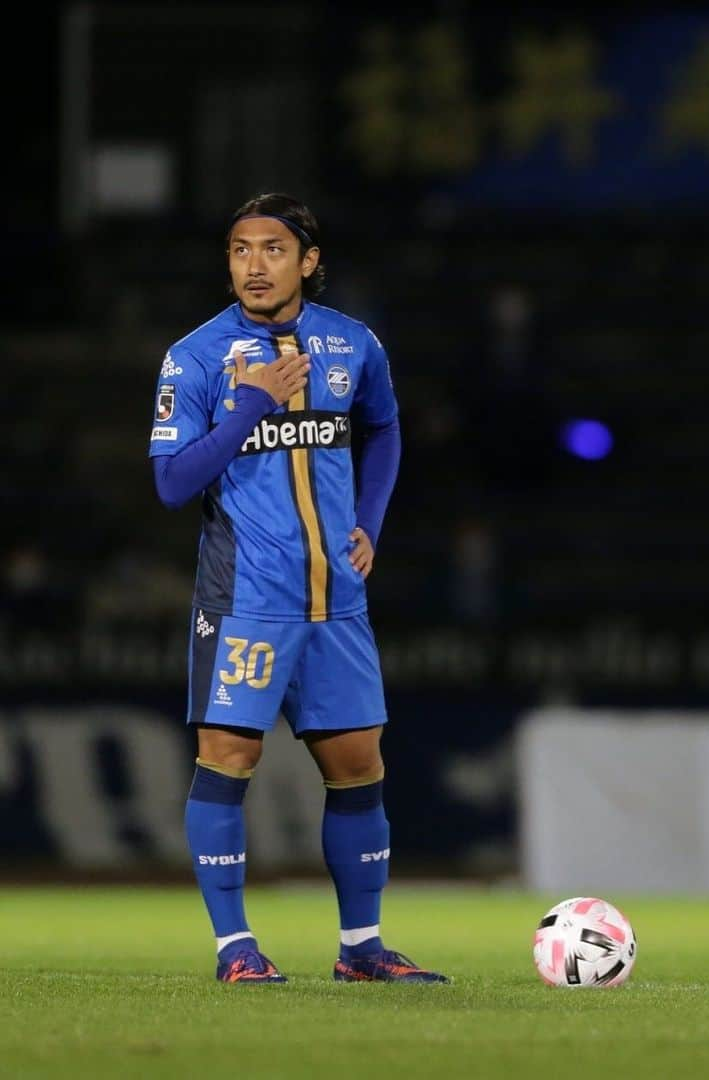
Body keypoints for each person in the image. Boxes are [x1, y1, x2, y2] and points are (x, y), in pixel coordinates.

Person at [147, 192, 448, 985]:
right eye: (241, 249)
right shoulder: (198, 357)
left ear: (309, 262)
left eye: (273, 249)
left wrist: (372, 526)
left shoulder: (352, 344)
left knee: (357, 764)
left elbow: (383, 428)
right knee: (227, 757)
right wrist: (252, 403)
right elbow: (174, 484)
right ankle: (235, 950)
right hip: (246, 596)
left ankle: (362, 949)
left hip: (336, 599)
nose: (254, 264)